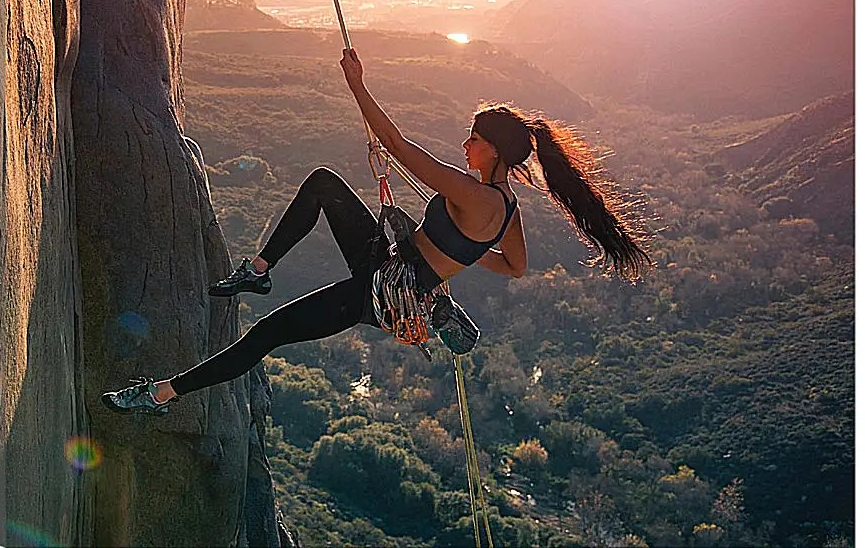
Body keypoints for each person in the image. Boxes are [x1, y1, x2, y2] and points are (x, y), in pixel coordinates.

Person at [103, 47, 651, 415]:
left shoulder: (477, 193)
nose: (465, 144)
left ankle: (161, 393)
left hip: (381, 290)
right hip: (392, 263)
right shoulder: (505, 209)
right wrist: (454, 260)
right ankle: (261, 271)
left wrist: (357, 86)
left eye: (473, 138)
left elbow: (401, 147)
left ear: (495, 151)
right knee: (322, 184)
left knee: (266, 334)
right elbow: (515, 266)